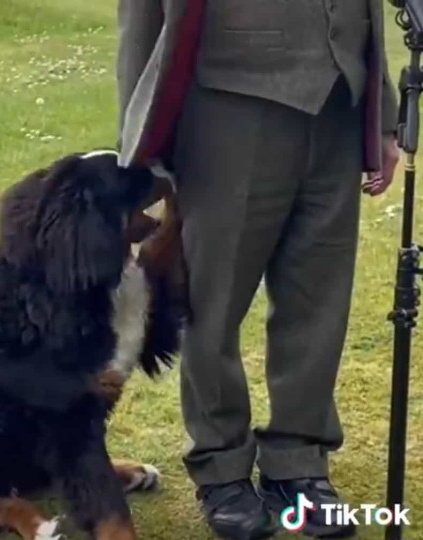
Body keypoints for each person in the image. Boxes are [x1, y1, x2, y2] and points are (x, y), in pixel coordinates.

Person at [117, 1, 401, 539]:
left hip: (340, 102)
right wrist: (140, 137)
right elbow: (143, 15)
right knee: (213, 301)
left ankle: (299, 463)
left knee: (318, 302)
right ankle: (221, 467)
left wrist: (382, 116)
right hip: (229, 103)